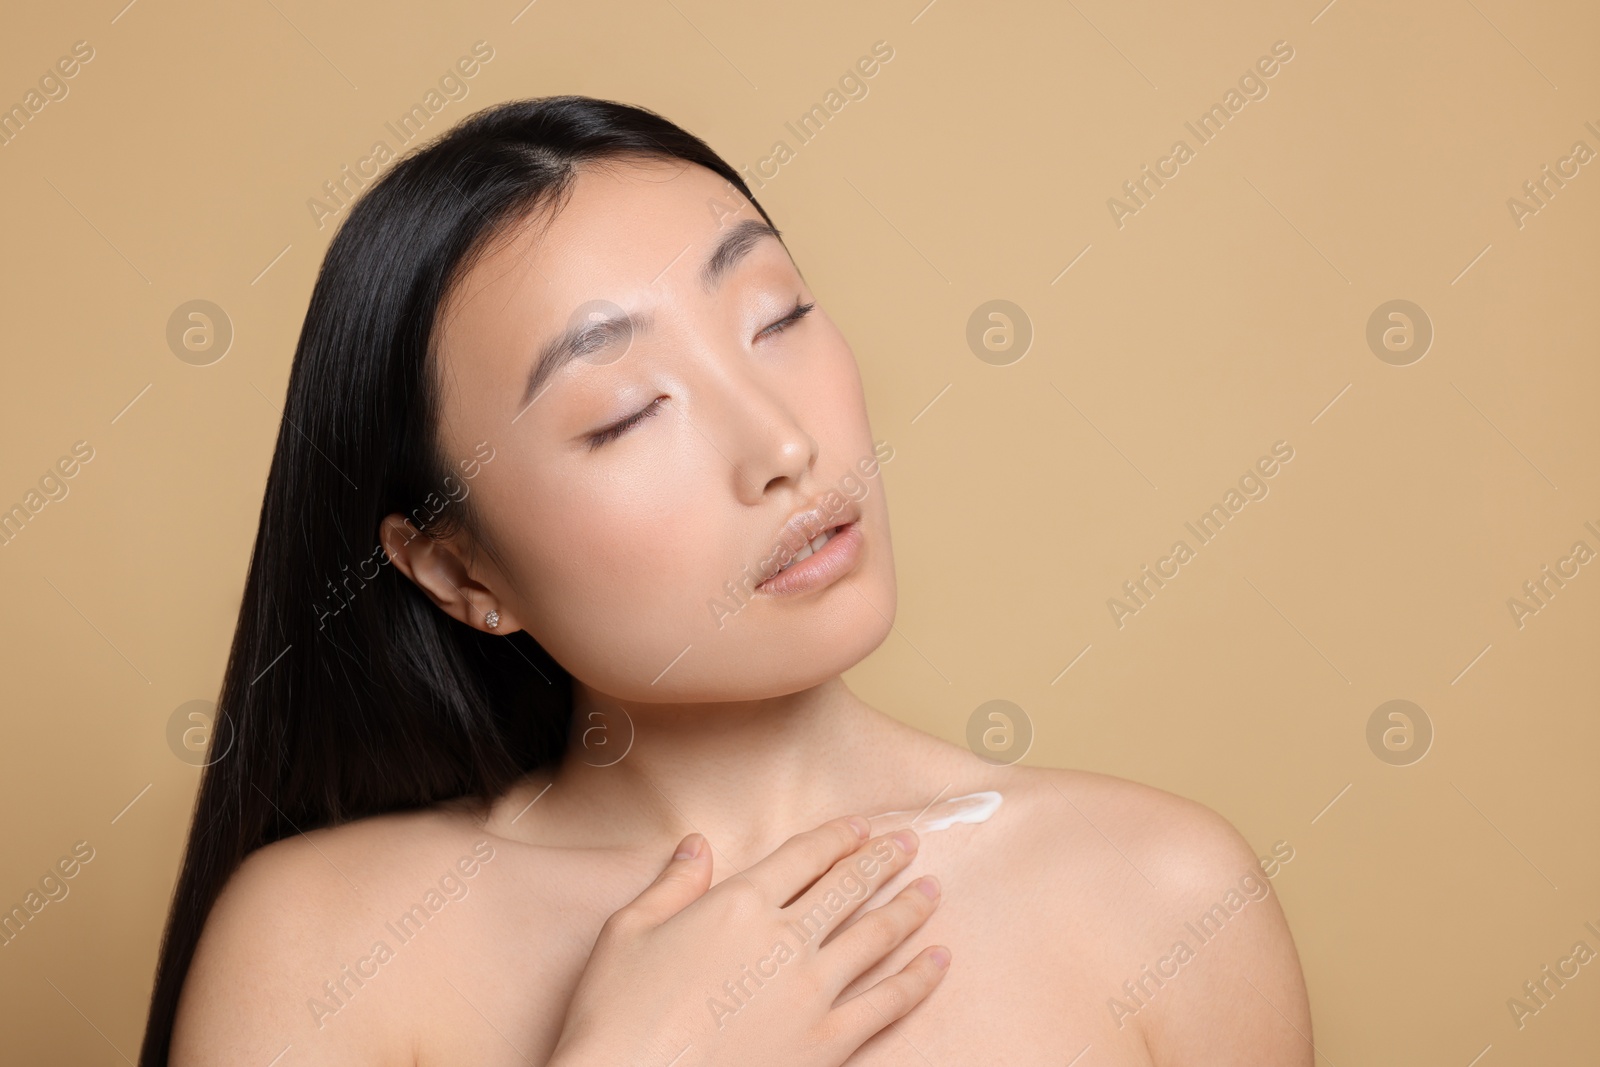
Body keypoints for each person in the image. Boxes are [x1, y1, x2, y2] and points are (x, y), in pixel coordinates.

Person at [142, 95, 1312, 1066]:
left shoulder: (1159, 897)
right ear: (459, 569)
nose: (782, 446)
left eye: (777, 316)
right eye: (625, 412)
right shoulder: (330, 947)